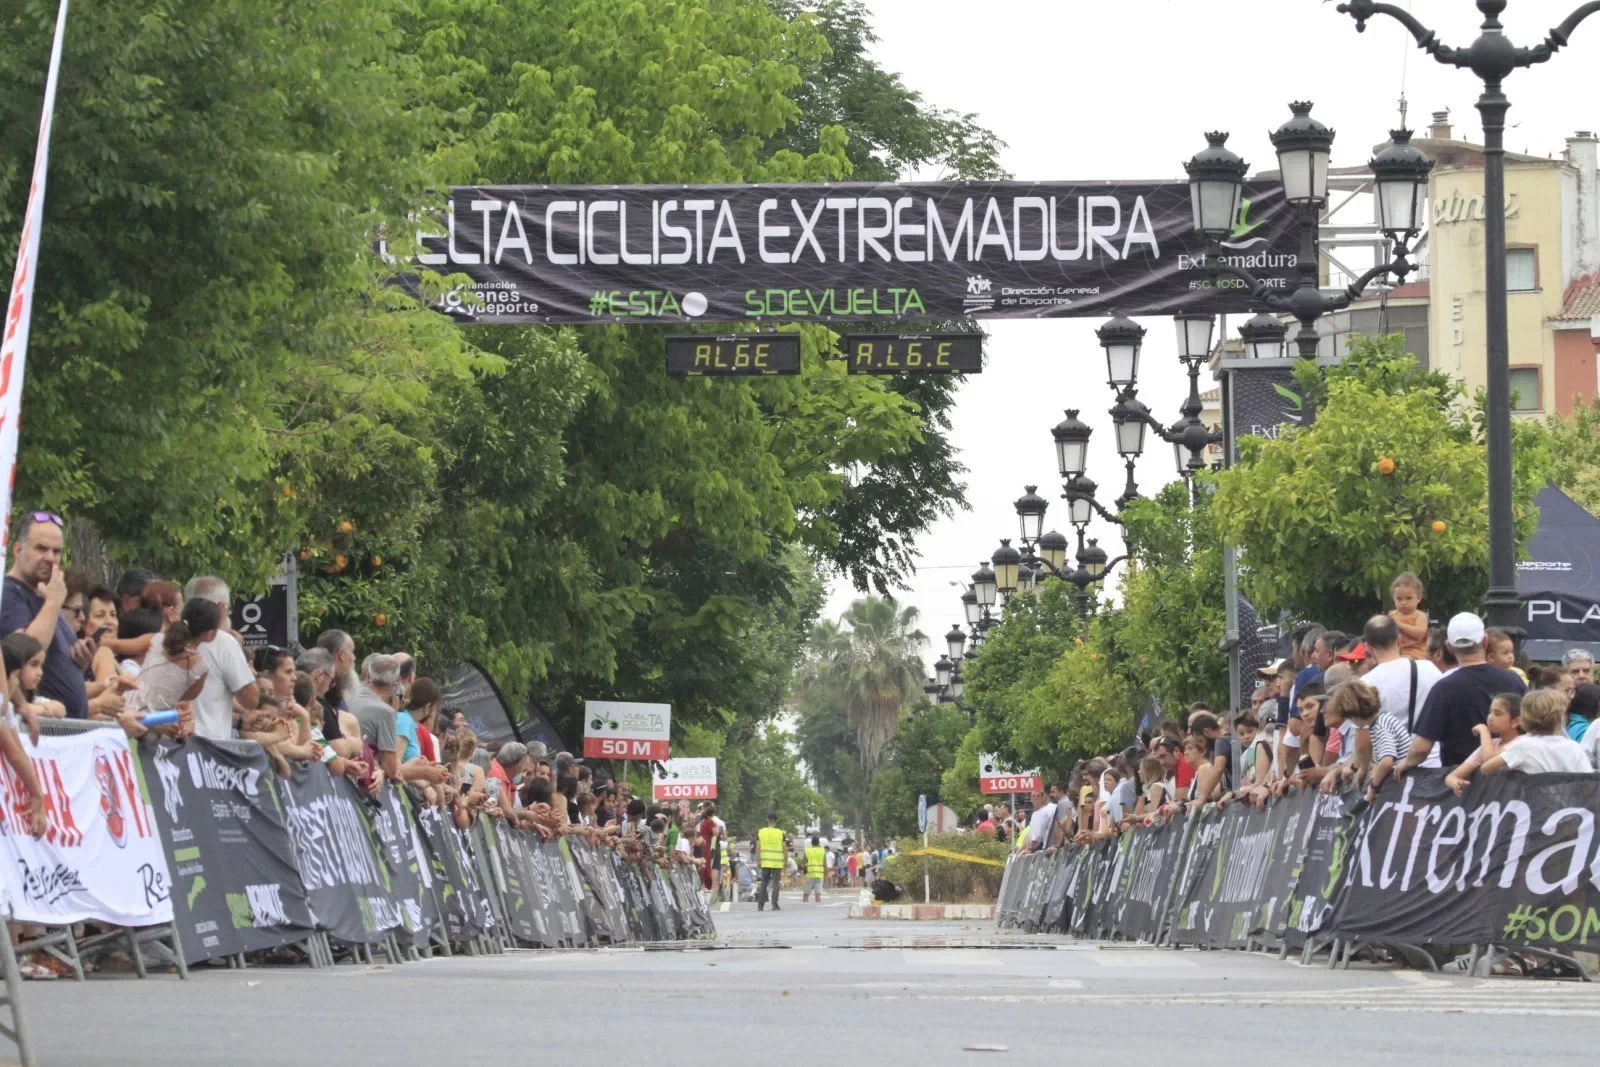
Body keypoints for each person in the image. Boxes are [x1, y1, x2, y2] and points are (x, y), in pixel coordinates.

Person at [1397, 612, 1525, 774]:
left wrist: (1405, 763)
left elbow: (1421, 748)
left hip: (1461, 783)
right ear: (1485, 641)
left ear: (1449, 647)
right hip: (1512, 781)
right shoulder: (1513, 679)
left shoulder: (1444, 687)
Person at [0, 513, 90, 718]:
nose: (50, 558)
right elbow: (23, 653)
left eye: (56, 551)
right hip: (36, 733)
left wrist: (79, 664)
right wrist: (53, 602)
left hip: (63, 734)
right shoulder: (8, 594)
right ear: (17, 549)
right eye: (41, 548)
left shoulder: (47, 595)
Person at [172, 579, 259, 740]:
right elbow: (250, 699)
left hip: (172, 741)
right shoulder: (223, 641)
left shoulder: (168, 636)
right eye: (228, 609)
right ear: (220, 607)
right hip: (209, 749)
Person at [1359, 614, 1442, 768]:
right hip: (1432, 764)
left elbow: (1363, 743)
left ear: (1368, 647)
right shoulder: (1429, 669)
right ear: (1399, 639)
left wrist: (1361, 770)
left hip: (1389, 771)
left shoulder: (1365, 683)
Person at [1461, 688, 1589, 777]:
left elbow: (1486, 768)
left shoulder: (1522, 745)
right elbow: (1587, 779)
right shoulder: (1573, 747)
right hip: (1567, 810)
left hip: (1533, 808)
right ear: (1561, 716)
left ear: (1525, 716)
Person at [1446, 693, 1522, 794]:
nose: (1490, 717)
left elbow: (1489, 761)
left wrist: (1484, 731)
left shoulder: (1522, 742)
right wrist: (1455, 782)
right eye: (1490, 712)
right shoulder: (1491, 744)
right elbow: (1452, 776)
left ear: (1515, 721)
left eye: (1498, 713)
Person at [1389, 571, 1430, 660]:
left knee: (1404, 661)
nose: (1403, 602)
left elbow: (1419, 634)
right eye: (1399, 599)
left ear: (1418, 598)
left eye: (1408, 598)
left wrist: (1400, 624)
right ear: (1393, 598)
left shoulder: (1420, 616)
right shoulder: (1393, 615)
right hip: (1395, 650)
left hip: (1414, 652)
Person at [756, 812, 786, 911]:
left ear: (767, 820)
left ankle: (760, 905)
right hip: (777, 862)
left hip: (765, 861)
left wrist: (758, 860)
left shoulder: (761, 832)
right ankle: (774, 903)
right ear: (776, 821)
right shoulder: (781, 833)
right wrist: (785, 861)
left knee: (764, 882)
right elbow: (784, 848)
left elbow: (758, 848)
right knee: (775, 883)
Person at [801, 835, 827, 902]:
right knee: (818, 892)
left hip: (810, 873)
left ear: (811, 843)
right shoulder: (822, 851)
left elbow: (804, 862)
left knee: (806, 891)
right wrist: (826, 874)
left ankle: (805, 902)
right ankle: (817, 903)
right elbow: (825, 864)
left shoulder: (807, 851)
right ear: (819, 843)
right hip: (819, 873)